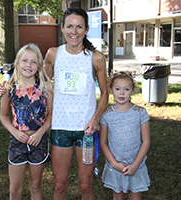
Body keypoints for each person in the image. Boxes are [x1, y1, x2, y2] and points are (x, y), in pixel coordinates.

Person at [44, 8, 108, 199]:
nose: (74, 31)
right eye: (70, 26)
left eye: (79, 27)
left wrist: (95, 119)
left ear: (86, 29)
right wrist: (10, 87)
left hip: (86, 130)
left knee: (86, 185)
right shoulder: (53, 54)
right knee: (59, 185)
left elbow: (105, 93)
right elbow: (39, 85)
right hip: (60, 127)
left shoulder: (96, 58)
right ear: (62, 28)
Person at [0, 43, 53, 200]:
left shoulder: (46, 87)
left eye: (33, 62)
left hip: (39, 142)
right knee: (14, 191)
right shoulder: (9, 88)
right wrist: (15, 133)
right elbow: (3, 116)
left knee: (35, 187)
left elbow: (51, 115)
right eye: (25, 61)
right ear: (17, 63)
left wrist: (40, 133)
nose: (28, 65)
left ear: (39, 66)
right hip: (17, 142)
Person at [99, 70, 151, 200]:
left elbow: (146, 141)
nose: (121, 93)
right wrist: (114, 163)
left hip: (136, 166)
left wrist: (135, 165)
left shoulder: (140, 113)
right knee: (118, 197)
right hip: (116, 167)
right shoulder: (106, 115)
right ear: (111, 90)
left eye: (126, 89)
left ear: (132, 91)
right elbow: (103, 143)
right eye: (117, 89)